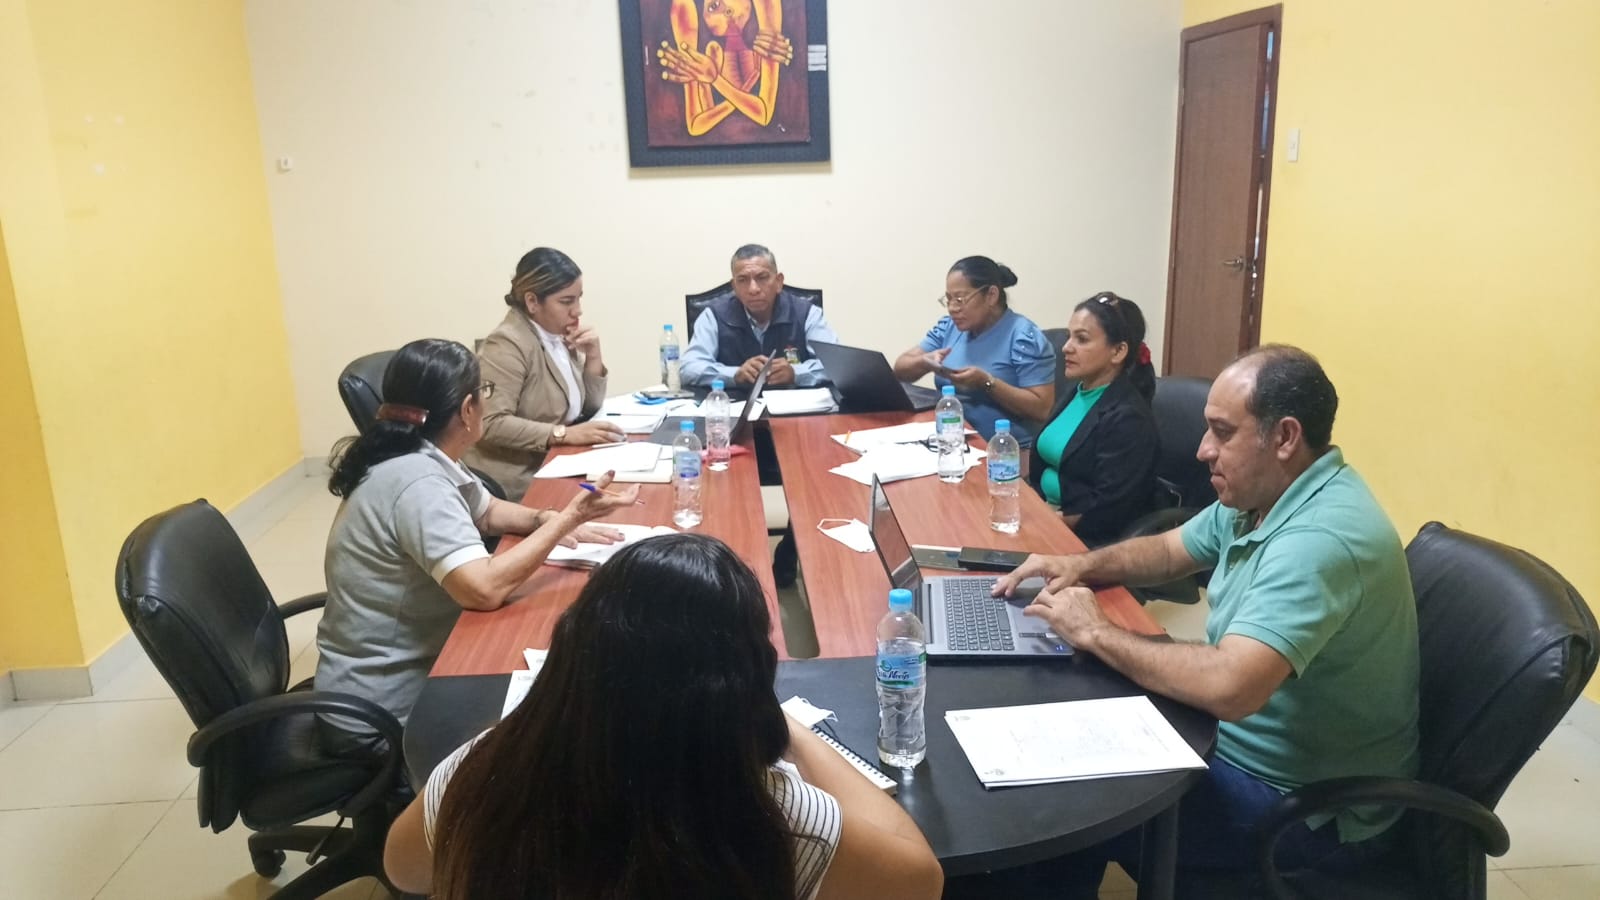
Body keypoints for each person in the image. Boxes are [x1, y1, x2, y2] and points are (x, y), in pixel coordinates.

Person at [986, 345, 1420, 894]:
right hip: (1230, 742)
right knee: (1058, 739)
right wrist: (1078, 566)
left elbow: (1230, 687)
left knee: (1059, 798)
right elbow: (1170, 550)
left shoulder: (1319, 540)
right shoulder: (1265, 495)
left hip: (1298, 808)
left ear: (1285, 437)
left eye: (1222, 432)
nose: (1202, 450)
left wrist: (1096, 630)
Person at [383, 533, 944, 900]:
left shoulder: (483, 773)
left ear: (573, 655)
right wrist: (787, 728)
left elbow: (401, 869)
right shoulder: (771, 816)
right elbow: (920, 879)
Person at [319, 338, 638, 754]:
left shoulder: (416, 454)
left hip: (407, 667)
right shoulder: (418, 483)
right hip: (387, 710)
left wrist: (545, 519)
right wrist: (569, 520)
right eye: (484, 392)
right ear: (468, 409)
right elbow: (482, 590)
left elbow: (485, 511)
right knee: (569, 719)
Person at [463, 247, 624, 500]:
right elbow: (490, 422)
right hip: (519, 481)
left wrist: (593, 357)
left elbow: (588, 407)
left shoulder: (556, 334)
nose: (578, 310)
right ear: (532, 302)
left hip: (559, 463)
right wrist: (563, 434)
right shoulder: (506, 343)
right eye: (567, 301)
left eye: (578, 298)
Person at [1026, 292, 1159, 546]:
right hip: (1046, 514)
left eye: (1082, 339)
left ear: (1118, 351)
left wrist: (1041, 525)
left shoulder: (1129, 418)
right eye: (1069, 336)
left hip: (1086, 539)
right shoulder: (1078, 391)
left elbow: (1107, 510)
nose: (1066, 347)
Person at [892, 256, 1055, 444]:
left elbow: (1042, 409)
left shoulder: (1024, 337)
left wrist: (987, 383)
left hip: (1005, 449)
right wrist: (924, 362)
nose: (952, 308)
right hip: (951, 440)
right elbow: (900, 370)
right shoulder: (950, 327)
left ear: (991, 295)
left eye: (960, 299)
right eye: (949, 299)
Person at [680, 244, 840, 390]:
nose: (753, 289)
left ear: (778, 282)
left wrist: (796, 373)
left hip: (796, 407)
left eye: (762, 278)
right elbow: (688, 368)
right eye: (743, 280)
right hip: (734, 406)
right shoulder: (714, 315)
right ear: (734, 286)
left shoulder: (806, 313)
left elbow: (837, 365)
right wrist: (734, 374)